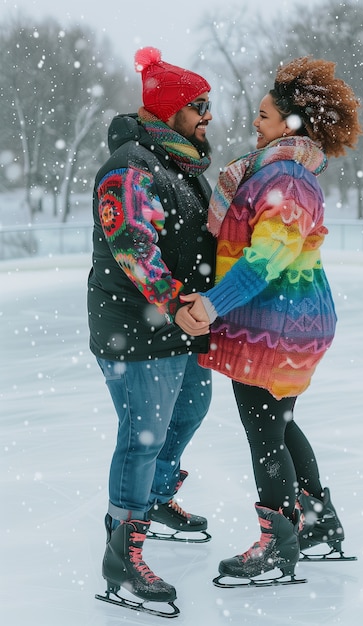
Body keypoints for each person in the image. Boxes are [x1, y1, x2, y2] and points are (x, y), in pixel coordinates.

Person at [177, 56, 363, 583]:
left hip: (279, 325)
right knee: (277, 422)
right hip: (279, 322)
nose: (255, 123)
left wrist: (212, 304)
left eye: (263, 115)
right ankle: (317, 522)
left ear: (289, 124)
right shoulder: (269, 172)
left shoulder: (288, 180)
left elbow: (265, 259)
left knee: (264, 430)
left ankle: (278, 543)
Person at [87, 46, 216, 612]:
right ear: (171, 110)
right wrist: (171, 300)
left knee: (190, 408)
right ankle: (122, 553)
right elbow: (131, 243)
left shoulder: (182, 164)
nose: (209, 114)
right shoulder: (130, 166)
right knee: (142, 439)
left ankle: (156, 500)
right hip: (136, 328)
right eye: (199, 105)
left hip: (173, 325)